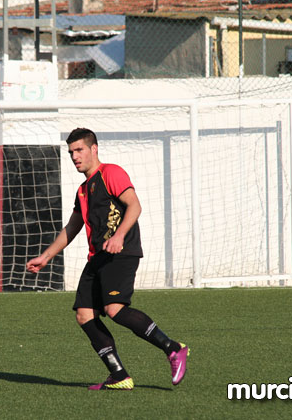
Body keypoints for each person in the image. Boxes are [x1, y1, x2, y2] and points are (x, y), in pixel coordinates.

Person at [26, 127, 189, 390]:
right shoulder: (83, 190)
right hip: (98, 257)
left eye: (79, 150)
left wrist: (119, 235)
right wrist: (46, 257)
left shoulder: (111, 173)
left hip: (121, 252)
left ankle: (172, 348)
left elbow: (135, 205)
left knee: (114, 309)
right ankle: (119, 375)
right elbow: (72, 227)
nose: (75, 156)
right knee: (84, 315)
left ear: (94, 149)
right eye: (71, 152)